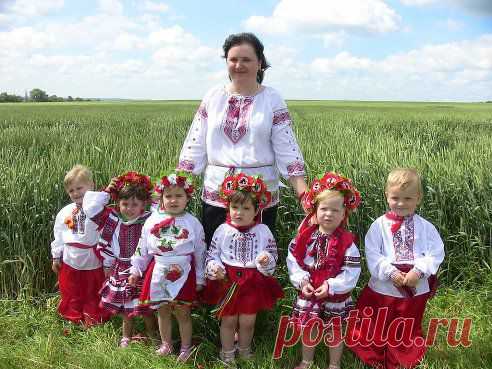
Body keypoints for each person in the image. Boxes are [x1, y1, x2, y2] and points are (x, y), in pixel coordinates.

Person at [177, 32, 308, 245]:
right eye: (233, 59)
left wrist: (303, 193)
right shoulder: (213, 96)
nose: (239, 65)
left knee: (259, 260)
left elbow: (287, 147)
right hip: (217, 195)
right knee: (216, 257)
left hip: (260, 197)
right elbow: (195, 144)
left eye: (246, 59)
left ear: (260, 63)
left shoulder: (271, 98)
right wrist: (178, 183)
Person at [348, 168, 445, 369]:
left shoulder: (426, 227)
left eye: (408, 198)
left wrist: (418, 271)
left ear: (418, 198)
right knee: (378, 320)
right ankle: (374, 350)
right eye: (395, 198)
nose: (401, 203)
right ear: (386, 196)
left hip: (414, 284)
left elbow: (436, 252)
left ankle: (403, 352)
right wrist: (390, 271)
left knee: (406, 324)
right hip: (385, 286)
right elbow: (373, 253)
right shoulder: (379, 226)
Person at [204, 172, 284, 364]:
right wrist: (215, 266)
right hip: (228, 280)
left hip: (252, 282)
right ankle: (227, 352)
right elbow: (212, 254)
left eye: (246, 208)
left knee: (248, 321)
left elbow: (273, 253)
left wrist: (266, 260)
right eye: (234, 207)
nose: (239, 212)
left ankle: (245, 350)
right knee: (228, 320)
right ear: (228, 208)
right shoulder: (223, 230)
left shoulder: (263, 231)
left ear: (256, 211)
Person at [128, 171, 206, 362]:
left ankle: (186, 348)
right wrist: (136, 269)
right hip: (159, 270)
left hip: (184, 271)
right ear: (161, 198)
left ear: (187, 197)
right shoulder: (152, 221)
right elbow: (143, 247)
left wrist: (200, 276)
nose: (173, 200)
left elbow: (200, 251)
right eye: (168, 196)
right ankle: (166, 344)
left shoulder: (193, 223)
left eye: (179, 195)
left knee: (182, 312)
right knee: (162, 310)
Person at [287, 172, 362, 369]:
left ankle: (334, 364)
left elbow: (351, 271)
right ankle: (307, 360)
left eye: (335, 210)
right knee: (309, 327)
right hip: (310, 290)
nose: (329, 214)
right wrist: (302, 281)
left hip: (334, 294)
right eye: (324, 209)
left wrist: (332, 285)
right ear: (315, 210)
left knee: (334, 330)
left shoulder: (347, 242)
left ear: (344, 213)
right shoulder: (304, 237)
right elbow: (294, 261)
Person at [82, 171, 157, 347]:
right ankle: (126, 336)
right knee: (125, 307)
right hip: (121, 266)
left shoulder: (149, 219)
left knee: (145, 307)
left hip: (143, 268)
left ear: (143, 205)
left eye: (135, 204)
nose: (129, 208)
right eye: (125, 203)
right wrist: (107, 191)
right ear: (117, 203)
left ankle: (154, 336)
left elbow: (160, 209)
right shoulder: (112, 219)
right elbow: (90, 208)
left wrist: (152, 195)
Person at [50, 164, 109, 326]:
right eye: (71, 191)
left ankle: (93, 317)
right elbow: (59, 234)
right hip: (70, 257)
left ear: (91, 185)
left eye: (79, 188)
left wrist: (108, 259)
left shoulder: (99, 211)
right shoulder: (66, 212)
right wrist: (56, 255)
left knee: (92, 290)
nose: (75, 193)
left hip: (91, 257)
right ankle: (73, 317)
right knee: (71, 289)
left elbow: (106, 234)